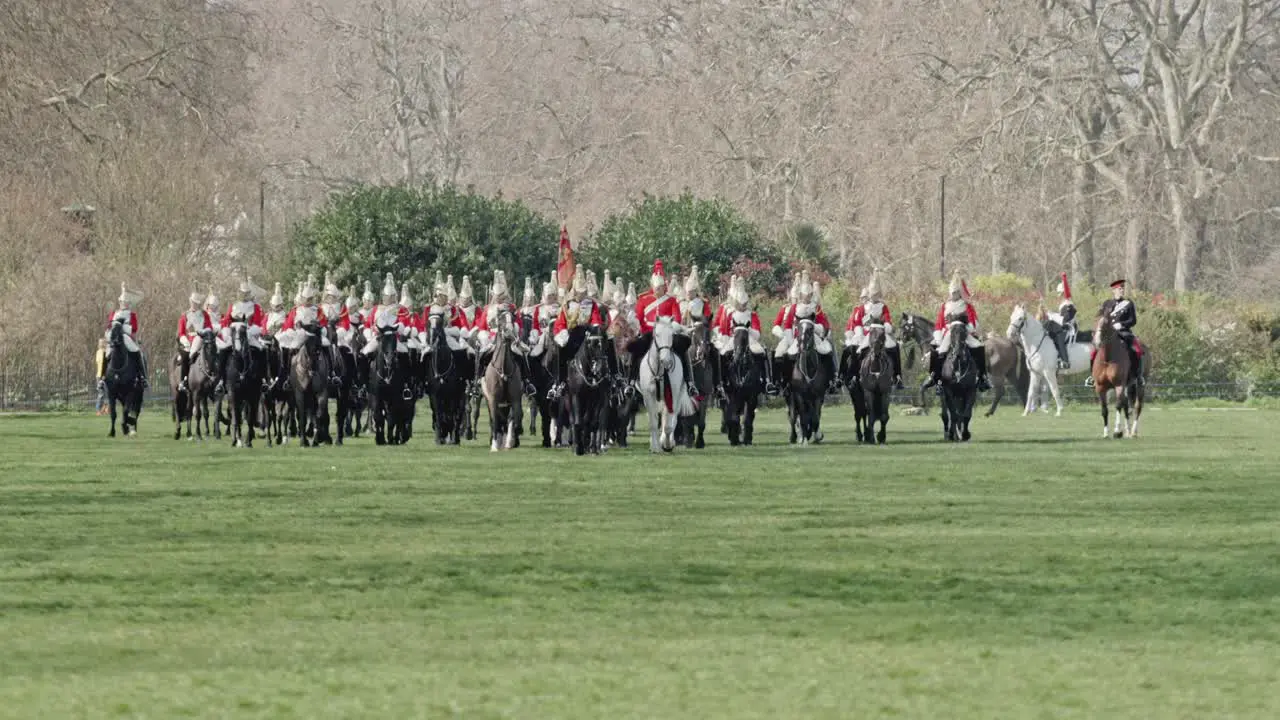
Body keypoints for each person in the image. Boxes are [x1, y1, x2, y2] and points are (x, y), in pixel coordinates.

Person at [630, 259, 700, 400]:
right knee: (636, 349)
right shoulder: (643, 300)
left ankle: (690, 382)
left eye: (661, 288)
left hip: (667, 333)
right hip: (648, 332)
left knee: (683, 349)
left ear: (664, 287)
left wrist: (668, 327)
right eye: (656, 288)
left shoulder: (671, 300)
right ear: (652, 287)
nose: (658, 290)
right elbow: (638, 316)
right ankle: (631, 382)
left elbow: (677, 318)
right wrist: (637, 324)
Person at [922, 270, 991, 393]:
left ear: (960, 293)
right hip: (949, 332)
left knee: (979, 347)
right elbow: (939, 322)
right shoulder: (945, 306)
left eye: (957, 292)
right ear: (950, 292)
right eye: (953, 292)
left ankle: (982, 377)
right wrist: (939, 336)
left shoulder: (966, 305)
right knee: (938, 351)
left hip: (964, 331)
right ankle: (935, 378)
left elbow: (972, 321)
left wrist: (969, 328)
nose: (954, 294)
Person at [776, 270, 839, 394]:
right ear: (801, 295)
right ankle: (786, 382)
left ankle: (832, 379)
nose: (807, 297)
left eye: (809, 295)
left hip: (813, 336)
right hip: (797, 337)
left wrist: (817, 329)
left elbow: (824, 324)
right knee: (788, 356)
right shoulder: (794, 307)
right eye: (805, 295)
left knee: (827, 351)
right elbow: (788, 325)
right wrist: (790, 340)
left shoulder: (816, 307)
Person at [548, 265, 604, 400]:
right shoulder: (567, 304)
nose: (582, 294)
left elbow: (596, 317)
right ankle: (560, 382)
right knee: (560, 350)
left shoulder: (591, 304)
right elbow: (560, 322)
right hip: (572, 334)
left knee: (606, 343)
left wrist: (595, 326)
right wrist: (562, 333)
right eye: (580, 292)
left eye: (584, 292)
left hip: (588, 334)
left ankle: (613, 377)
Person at [844, 270, 904, 389]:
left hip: (881, 332)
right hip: (867, 333)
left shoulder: (883, 307)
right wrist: (859, 333)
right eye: (872, 294)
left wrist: (886, 326)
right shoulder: (863, 307)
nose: (874, 296)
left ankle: (897, 376)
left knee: (894, 347)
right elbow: (857, 322)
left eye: (876, 294)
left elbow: (887, 319)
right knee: (856, 350)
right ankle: (854, 376)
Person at [713, 274, 771, 392]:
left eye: (744, 304)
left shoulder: (751, 314)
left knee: (762, 351)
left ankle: (766, 380)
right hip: (733, 338)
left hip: (750, 338)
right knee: (723, 354)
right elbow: (724, 330)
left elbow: (757, 331)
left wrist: (747, 329)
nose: (743, 306)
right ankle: (722, 382)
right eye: (741, 304)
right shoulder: (730, 314)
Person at [214, 277, 268, 393]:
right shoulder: (233, 305)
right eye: (242, 293)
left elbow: (258, 324)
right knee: (223, 350)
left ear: (249, 293)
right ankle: (221, 380)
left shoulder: (255, 307)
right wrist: (227, 329)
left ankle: (264, 379)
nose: (244, 295)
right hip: (235, 333)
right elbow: (226, 320)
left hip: (249, 333)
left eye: (246, 293)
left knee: (262, 350)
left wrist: (248, 330)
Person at [1087, 279, 1144, 387]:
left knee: (1137, 349)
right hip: (1108, 334)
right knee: (1093, 351)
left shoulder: (1128, 303)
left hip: (1123, 332)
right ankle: (1092, 376)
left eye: (1122, 288)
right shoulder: (1107, 303)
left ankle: (1138, 376)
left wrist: (1121, 324)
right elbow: (1098, 317)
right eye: (1119, 289)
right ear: (1113, 290)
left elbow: (1133, 320)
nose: (1121, 290)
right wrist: (1098, 328)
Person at [101, 282, 147, 389]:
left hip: (126, 336)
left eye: (126, 302)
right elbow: (109, 326)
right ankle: (102, 378)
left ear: (128, 303)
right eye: (122, 302)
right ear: (120, 302)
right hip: (114, 336)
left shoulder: (132, 314)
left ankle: (142, 376)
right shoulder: (114, 313)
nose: (123, 304)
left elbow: (134, 328)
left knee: (138, 352)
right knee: (105, 353)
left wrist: (123, 328)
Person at [474, 270, 521, 367]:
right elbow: (482, 327)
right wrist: (485, 337)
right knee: (483, 354)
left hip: (508, 336)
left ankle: (525, 378)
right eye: (497, 296)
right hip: (491, 338)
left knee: (520, 354)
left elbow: (518, 323)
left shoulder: (511, 307)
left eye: (501, 296)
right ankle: (479, 375)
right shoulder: (487, 308)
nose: (499, 298)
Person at [419, 271, 469, 356]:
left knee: (458, 350)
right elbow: (423, 325)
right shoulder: (428, 309)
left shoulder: (452, 309)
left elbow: (458, 326)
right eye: (437, 296)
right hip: (431, 337)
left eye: (441, 296)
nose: (438, 298)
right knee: (423, 355)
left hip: (448, 336)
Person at [176, 291, 214, 392]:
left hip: (201, 339)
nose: (194, 304)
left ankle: (217, 379)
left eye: (196, 303)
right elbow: (181, 332)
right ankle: (183, 380)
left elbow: (209, 327)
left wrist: (204, 332)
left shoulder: (204, 314)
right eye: (193, 302)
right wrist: (185, 341)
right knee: (185, 356)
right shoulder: (184, 315)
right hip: (188, 340)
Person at [1043, 272, 1077, 369]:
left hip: (1069, 328)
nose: (1059, 296)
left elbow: (1065, 320)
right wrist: (1050, 314)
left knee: (1059, 336)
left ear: (1063, 293)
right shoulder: (1063, 305)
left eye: (1060, 294)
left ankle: (1065, 360)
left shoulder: (1069, 304)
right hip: (1063, 326)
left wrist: (1052, 315)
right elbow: (1060, 317)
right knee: (1048, 326)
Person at [94, 338, 108, 414]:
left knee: (108, 393)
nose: (101, 344)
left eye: (103, 342)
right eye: (100, 343)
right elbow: (100, 364)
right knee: (101, 393)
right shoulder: (99, 352)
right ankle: (98, 409)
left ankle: (105, 408)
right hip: (100, 376)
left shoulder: (106, 352)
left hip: (105, 375)